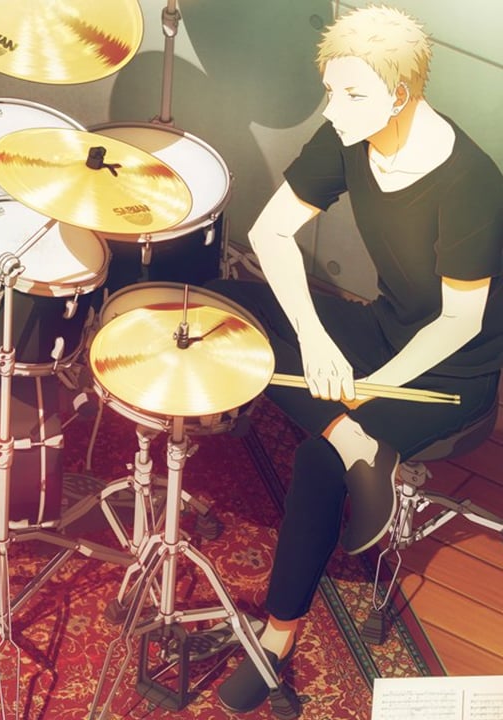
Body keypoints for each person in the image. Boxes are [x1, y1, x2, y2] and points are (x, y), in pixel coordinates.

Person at [207, 5, 503, 712]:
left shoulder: (471, 182)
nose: (333, 109)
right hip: (386, 327)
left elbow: (460, 322)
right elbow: (270, 233)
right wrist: (313, 339)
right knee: (222, 303)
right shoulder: (349, 130)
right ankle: (356, 443)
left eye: (352, 94)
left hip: (454, 369)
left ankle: (275, 645)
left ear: (399, 96)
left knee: (315, 461)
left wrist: (368, 388)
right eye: (330, 90)